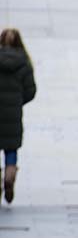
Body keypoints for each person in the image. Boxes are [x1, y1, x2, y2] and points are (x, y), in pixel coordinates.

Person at [0, 28, 36, 204]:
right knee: (11, 149)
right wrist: (17, 101)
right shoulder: (23, 63)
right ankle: (9, 176)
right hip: (13, 114)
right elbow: (31, 90)